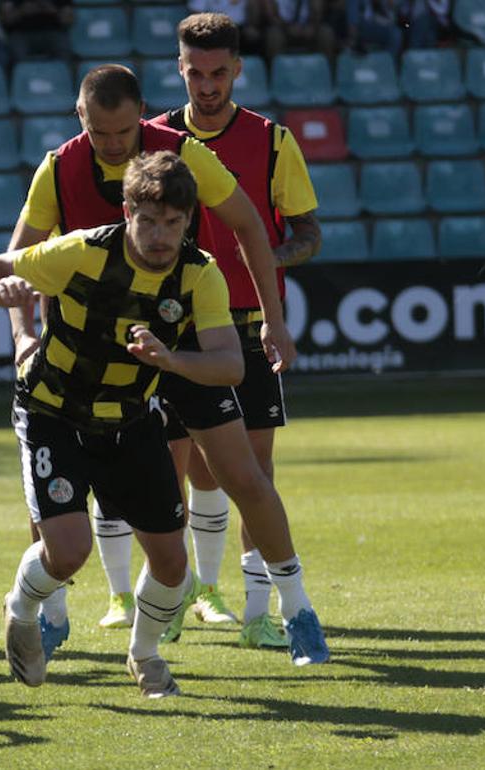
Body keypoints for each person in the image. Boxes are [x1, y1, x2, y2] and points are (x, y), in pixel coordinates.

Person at [0, 64, 301, 655]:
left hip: (174, 338)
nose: (112, 145)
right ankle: (53, 608)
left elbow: (248, 224)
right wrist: (21, 335)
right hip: (81, 351)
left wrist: (272, 318)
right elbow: (16, 260)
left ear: (141, 114)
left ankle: (283, 606)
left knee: (238, 470)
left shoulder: (181, 158)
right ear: (80, 117)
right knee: (59, 490)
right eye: (100, 133)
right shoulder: (59, 167)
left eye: (122, 131)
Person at [0, 151, 244, 697]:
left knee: (173, 568)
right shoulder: (84, 251)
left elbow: (230, 365)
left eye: (173, 222)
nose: (160, 235)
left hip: (131, 420)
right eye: (147, 220)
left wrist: (170, 361)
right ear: (127, 210)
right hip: (52, 412)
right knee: (68, 552)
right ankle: (21, 608)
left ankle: (143, 655)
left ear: (189, 221)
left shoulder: (200, 275)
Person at [147, 12, 325, 653]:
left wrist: (260, 260)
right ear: (180, 70)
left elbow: (306, 232)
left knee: (254, 475)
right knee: (165, 473)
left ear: (238, 71)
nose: (207, 85)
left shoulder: (272, 141)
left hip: (247, 328)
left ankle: (258, 609)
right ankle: (169, 597)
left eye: (219, 72)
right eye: (196, 73)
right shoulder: (156, 137)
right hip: (172, 327)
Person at [0, 0, 74, 61]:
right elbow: (7, 20)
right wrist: (22, 11)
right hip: (21, 33)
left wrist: (51, 10)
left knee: (63, 48)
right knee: (16, 52)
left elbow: (68, 20)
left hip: (52, 32)